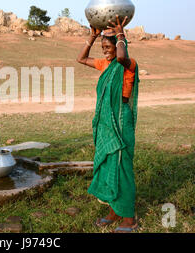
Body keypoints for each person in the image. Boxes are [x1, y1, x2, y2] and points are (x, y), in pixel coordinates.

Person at [77, 16, 140, 233]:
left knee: (121, 168)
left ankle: (129, 218)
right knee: (108, 166)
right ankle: (114, 211)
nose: (105, 51)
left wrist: (121, 33)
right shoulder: (106, 64)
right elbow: (81, 59)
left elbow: (122, 57)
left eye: (108, 47)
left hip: (121, 123)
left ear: (118, 46)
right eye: (103, 47)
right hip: (106, 122)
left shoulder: (128, 64)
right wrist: (93, 37)